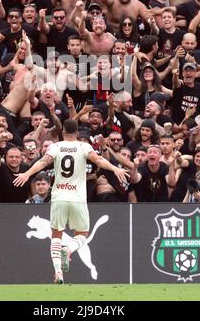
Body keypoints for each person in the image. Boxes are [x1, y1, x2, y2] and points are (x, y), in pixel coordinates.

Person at [13, 119, 128, 283]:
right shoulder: (84, 147)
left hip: (59, 197)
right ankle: (69, 249)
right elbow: (99, 161)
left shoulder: (55, 146)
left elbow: (43, 162)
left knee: (56, 235)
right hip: (78, 198)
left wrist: (27, 174)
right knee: (82, 235)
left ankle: (58, 272)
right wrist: (115, 168)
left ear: (63, 132)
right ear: (77, 134)